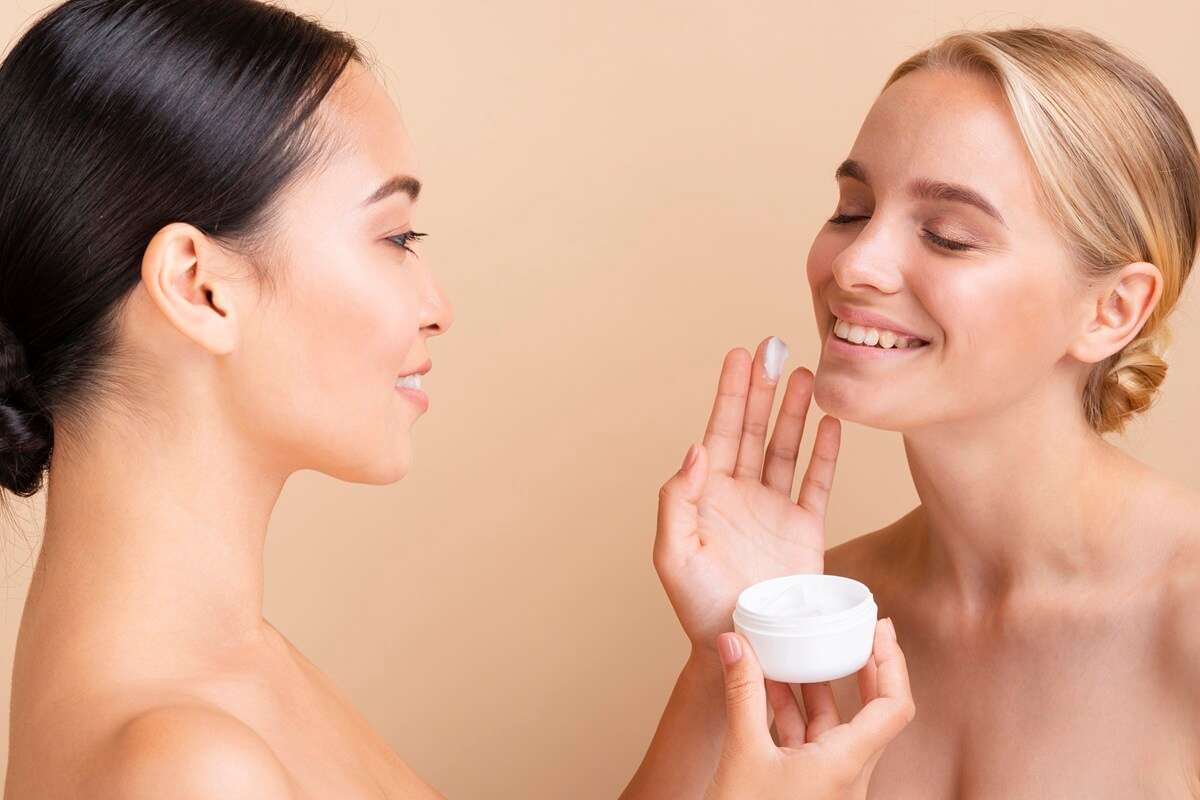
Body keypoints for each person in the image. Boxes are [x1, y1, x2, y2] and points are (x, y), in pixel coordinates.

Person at [0, 2, 913, 797]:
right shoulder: (190, 763)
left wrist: (723, 662)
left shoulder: (225, 664)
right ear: (200, 287)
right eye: (396, 237)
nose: (438, 307)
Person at [626, 26, 1200, 799]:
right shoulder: (822, 608)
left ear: (1112, 310)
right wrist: (729, 651)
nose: (854, 263)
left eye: (949, 236)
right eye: (852, 210)